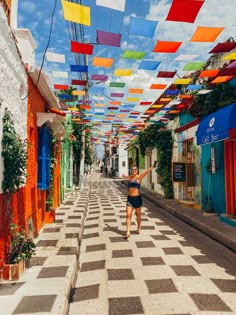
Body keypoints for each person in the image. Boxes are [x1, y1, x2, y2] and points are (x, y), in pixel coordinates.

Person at [122, 161, 158, 239]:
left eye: (135, 169)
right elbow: (126, 177)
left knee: (138, 215)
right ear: (131, 171)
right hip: (130, 199)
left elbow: (146, 172)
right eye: (132, 169)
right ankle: (128, 232)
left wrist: (152, 166)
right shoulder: (130, 177)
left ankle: (139, 227)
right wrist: (124, 176)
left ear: (137, 170)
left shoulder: (139, 177)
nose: (134, 171)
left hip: (137, 199)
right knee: (128, 215)